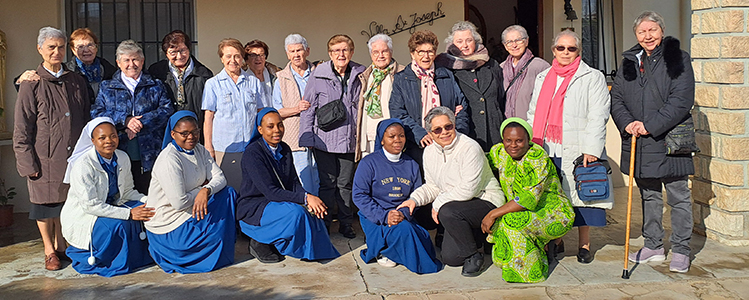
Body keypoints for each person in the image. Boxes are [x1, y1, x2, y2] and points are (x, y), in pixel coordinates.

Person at [610, 11, 696, 273]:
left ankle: (681, 249)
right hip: (640, 141)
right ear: (636, 35)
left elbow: (681, 100)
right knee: (649, 196)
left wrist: (650, 125)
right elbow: (617, 99)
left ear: (661, 31)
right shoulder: (629, 61)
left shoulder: (677, 58)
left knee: (679, 197)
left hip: (669, 140)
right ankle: (653, 246)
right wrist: (629, 124)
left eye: (652, 30)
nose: (647, 36)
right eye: (642, 32)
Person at [527, 30, 613, 264]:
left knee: (582, 196)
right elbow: (534, 111)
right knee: (554, 197)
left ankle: (584, 244)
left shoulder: (592, 77)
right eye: (561, 48)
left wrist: (592, 149)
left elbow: (598, 115)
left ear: (579, 51)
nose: (566, 52)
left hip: (578, 146)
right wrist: (531, 145)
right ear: (554, 50)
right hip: (546, 145)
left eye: (571, 48)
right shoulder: (544, 76)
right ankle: (557, 238)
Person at [13, 27, 91, 271]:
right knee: (45, 207)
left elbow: (86, 117)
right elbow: (22, 127)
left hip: (73, 156)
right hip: (44, 157)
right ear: (40, 49)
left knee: (66, 204)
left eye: (60, 47)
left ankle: (62, 245)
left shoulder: (76, 80)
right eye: (51, 47)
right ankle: (49, 251)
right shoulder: (31, 83)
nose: (56, 52)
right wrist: (27, 164)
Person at [397, 107, 504, 277]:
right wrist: (414, 200)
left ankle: (473, 256)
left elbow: (469, 189)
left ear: (454, 125)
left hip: (485, 199)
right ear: (429, 133)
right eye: (437, 130)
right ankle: (476, 236)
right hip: (459, 206)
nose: (444, 132)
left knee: (447, 211)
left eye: (448, 127)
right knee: (450, 258)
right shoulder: (430, 152)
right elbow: (433, 186)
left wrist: (438, 204)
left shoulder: (469, 147)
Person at [237, 108, 340, 263]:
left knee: (313, 211)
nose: (277, 130)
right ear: (260, 129)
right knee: (296, 213)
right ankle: (259, 240)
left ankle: (313, 251)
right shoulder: (252, 153)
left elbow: (293, 182)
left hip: (277, 201)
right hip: (255, 207)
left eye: (280, 125)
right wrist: (305, 198)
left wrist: (310, 199)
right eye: (270, 127)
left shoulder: (284, 148)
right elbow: (270, 192)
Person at [483, 118, 575, 283]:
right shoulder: (499, 152)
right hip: (524, 211)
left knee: (511, 220)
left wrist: (493, 213)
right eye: (508, 140)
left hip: (554, 213)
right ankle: (542, 247)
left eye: (519, 140)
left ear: (528, 140)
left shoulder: (537, 158)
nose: (513, 145)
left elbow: (528, 199)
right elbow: (479, 162)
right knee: (505, 223)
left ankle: (532, 272)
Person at [145, 110, 237, 274]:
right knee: (219, 209)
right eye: (184, 133)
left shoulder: (200, 150)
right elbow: (179, 203)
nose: (191, 137)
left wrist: (207, 189)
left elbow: (220, 178)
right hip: (169, 224)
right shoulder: (169, 160)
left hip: (190, 208)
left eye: (195, 132)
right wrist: (201, 190)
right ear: (173, 134)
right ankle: (195, 255)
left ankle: (218, 250)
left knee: (228, 194)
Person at [60, 117, 155, 277]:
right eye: (102, 138)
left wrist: (149, 201)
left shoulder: (122, 157)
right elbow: (90, 206)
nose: (109, 141)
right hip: (87, 215)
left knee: (148, 212)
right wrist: (129, 213)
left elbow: (127, 192)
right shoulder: (83, 165)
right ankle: (112, 262)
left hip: (113, 205)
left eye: (113, 136)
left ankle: (139, 259)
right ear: (92, 140)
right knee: (121, 225)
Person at [353, 118, 442, 274]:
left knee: (423, 238)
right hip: (375, 215)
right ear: (382, 140)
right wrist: (384, 215)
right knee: (404, 231)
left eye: (401, 135)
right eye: (392, 136)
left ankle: (392, 250)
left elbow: (416, 196)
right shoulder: (368, 163)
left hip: (403, 214)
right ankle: (384, 251)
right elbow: (359, 195)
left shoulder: (412, 164)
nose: (397, 140)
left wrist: (403, 213)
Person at [299, 34, 365, 239]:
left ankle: (346, 223)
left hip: (348, 140)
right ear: (330, 54)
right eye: (336, 51)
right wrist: (307, 135)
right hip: (324, 140)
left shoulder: (361, 73)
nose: (341, 54)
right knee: (327, 185)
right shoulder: (318, 74)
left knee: (345, 185)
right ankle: (325, 223)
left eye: (345, 50)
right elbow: (308, 107)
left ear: (351, 52)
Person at [91, 40, 174, 195]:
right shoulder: (107, 86)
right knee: (121, 194)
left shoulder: (155, 85)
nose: (131, 64)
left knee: (150, 195)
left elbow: (167, 110)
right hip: (118, 149)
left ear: (142, 61)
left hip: (150, 152)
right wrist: (126, 121)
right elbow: (97, 112)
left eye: (135, 59)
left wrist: (140, 123)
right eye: (126, 60)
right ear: (118, 63)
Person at [390, 30, 470, 167]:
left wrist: (457, 134)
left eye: (430, 51)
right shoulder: (401, 79)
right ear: (412, 54)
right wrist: (419, 133)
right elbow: (398, 112)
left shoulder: (446, 75)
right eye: (421, 51)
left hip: (447, 144)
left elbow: (461, 106)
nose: (426, 56)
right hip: (417, 146)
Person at [202, 38, 265, 192]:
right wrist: (208, 146)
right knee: (228, 190)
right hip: (225, 147)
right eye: (228, 56)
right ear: (222, 59)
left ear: (242, 58)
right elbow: (208, 118)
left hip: (250, 146)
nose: (233, 60)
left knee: (251, 189)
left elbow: (260, 113)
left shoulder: (253, 82)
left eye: (237, 56)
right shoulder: (213, 83)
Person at [436, 21, 505, 152]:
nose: (465, 45)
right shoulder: (445, 67)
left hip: (493, 130)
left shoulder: (491, 64)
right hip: (466, 130)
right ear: (452, 44)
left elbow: (501, 96)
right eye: (460, 41)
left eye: (469, 40)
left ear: (476, 41)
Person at [14, 28, 117, 103]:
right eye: (80, 46)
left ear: (96, 47)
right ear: (72, 49)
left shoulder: (110, 70)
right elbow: (44, 82)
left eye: (90, 45)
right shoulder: (67, 70)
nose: (86, 50)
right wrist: (20, 80)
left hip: (104, 123)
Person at [272, 34, 319, 196]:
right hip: (294, 137)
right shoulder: (281, 79)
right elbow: (277, 111)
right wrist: (297, 108)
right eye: (292, 51)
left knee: (321, 179)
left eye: (299, 50)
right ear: (287, 54)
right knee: (303, 177)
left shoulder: (319, 73)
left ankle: (322, 217)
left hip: (320, 135)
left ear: (307, 51)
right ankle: (307, 214)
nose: (296, 54)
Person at [148, 30, 214, 130]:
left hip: (195, 132)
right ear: (166, 53)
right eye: (173, 52)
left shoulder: (204, 74)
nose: (179, 56)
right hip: (164, 131)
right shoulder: (156, 72)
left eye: (183, 50)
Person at [355, 34, 406, 160]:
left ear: (391, 52)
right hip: (369, 135)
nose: (380, 55)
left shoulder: (402, 73)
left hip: (392, 136)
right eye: (376, 52)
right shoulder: (366, 75)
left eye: (384, 51)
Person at [500, 25, 550, 120]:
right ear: (505, 46)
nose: (514, 45)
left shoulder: (540, 66)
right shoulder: (501, 68)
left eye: (518, 40)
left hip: (531, 124)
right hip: (506, 126)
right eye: (509, 42)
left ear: (526, 41)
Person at [245, 39, 279, 107]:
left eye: (261, 55)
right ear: (246, 59)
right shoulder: (243, 80)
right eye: (253, 55)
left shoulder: (276, 76)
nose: (258, 58)